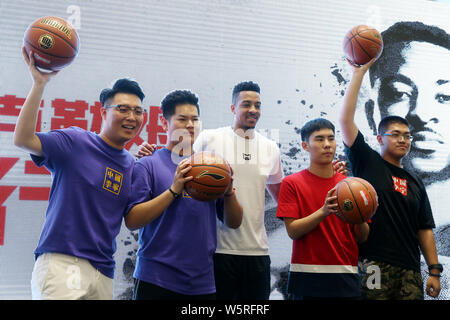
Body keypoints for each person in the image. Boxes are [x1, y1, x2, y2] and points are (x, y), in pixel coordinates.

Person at [14, 48, 146, 299]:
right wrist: (39, 84)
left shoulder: (131, 164)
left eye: (138, 112)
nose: (132, 117)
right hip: (62, 264)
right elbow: (23, 139)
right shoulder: (75, 141)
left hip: (104, 270)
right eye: (123, 109)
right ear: (103, 112)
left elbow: (132, 218)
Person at [339, 58, 442, 299]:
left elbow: (424, 230)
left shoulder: (415, 182)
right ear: (379, 138)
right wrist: (359, 73)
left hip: (410, 270)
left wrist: (434, 271)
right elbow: (345, 120)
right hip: (373, 264)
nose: (403, 139)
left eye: (407, 136)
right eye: (395, 134)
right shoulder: (367, 161)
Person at [125, 89, 243, 300]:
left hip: (202, 281)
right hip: (155, 277)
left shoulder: (212, 167)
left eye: (195, 119)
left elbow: (233, 223)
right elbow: (133, 220)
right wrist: (173, 190)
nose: (190, 125)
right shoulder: (148, 164)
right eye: (182, 119)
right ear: (164, 123)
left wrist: (228, 192)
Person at [276, 118, 369, 300]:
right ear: (305, 145)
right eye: (319, 139)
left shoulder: (351, 185)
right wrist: (323, 211)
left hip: (346, 275)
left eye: (331, 138)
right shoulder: (291, 183)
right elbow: (293, 231)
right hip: (306, 276)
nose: (327, 145)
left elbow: (363, 237)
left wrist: (362, 214)